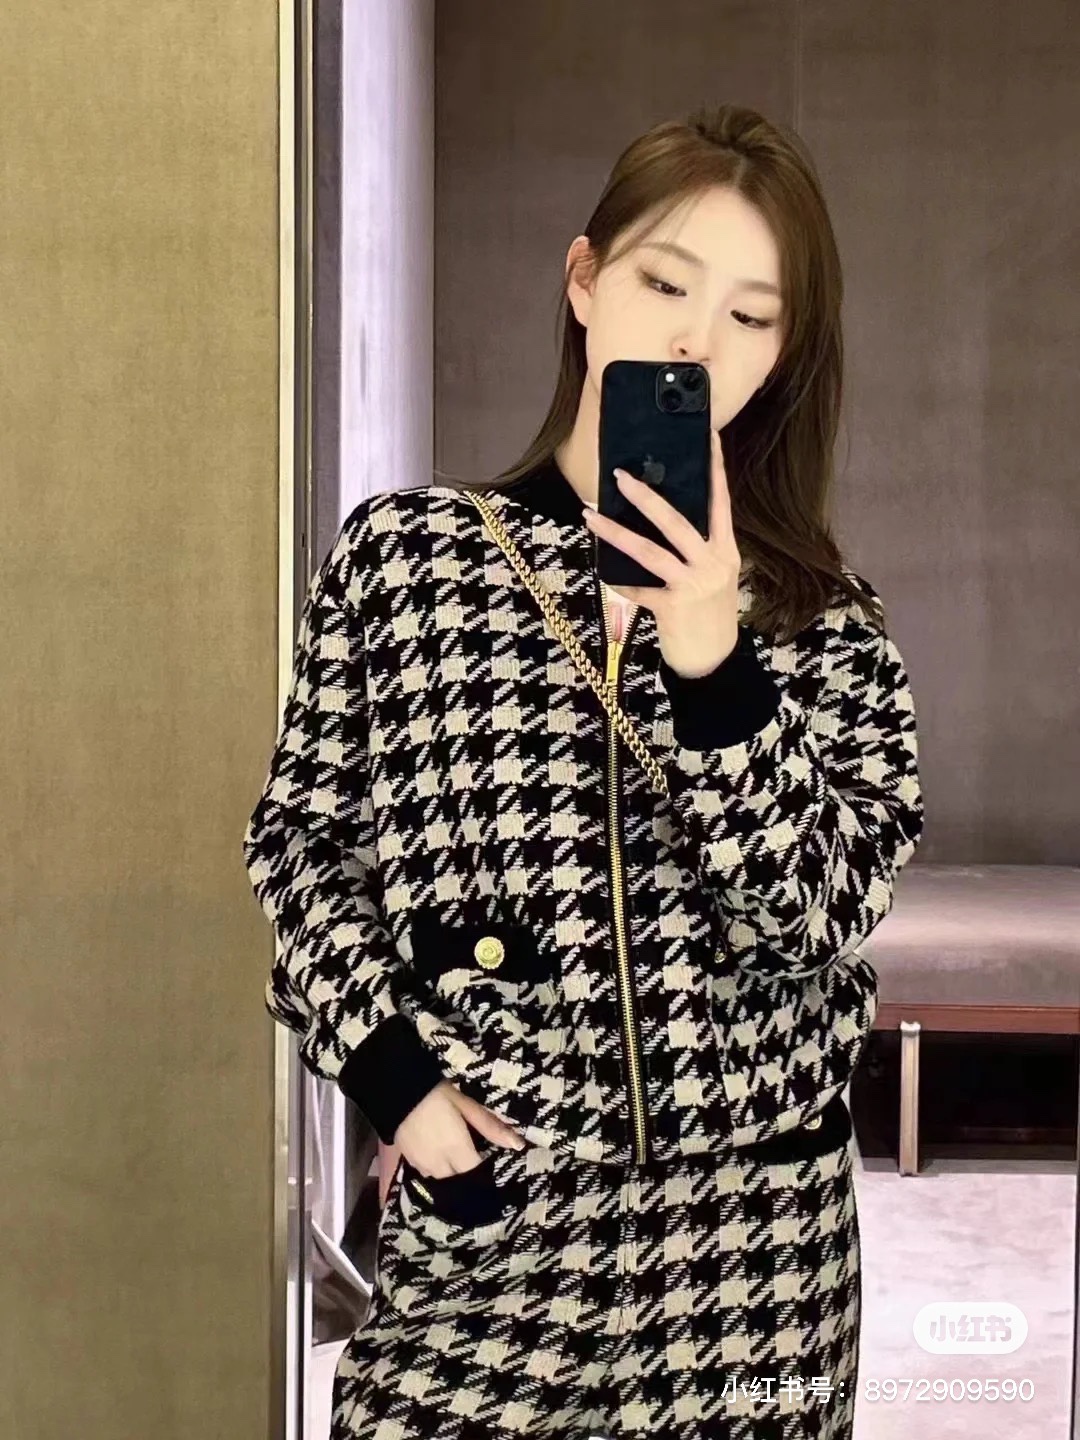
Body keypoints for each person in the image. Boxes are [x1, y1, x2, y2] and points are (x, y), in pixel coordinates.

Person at [243, 102, 924, 1440]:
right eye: (666, 284)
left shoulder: (827, 622)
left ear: (782, 355)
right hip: (492, 1233)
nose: (695, 339)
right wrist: (397, 1087)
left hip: (754, 1265)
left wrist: (714, 656)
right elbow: (302, 852)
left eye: (750, 315)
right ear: (584, 280)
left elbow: (821, 915)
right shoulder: (409, 562)